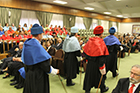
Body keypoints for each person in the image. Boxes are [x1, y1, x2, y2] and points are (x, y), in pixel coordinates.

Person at [22, 24, 59, 93]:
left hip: (29, 75)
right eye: (42, 34)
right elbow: (44, 65)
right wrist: (54, 71)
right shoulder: (36, 46)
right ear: (39, 35)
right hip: (38, 77)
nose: (42, 36)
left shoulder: (27, 44)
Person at [83, 26, 109, 93]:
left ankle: (87, 89)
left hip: (90, 63)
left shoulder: (90, 40)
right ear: (101, 33)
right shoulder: (101, 42)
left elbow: (85, 52)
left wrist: (86, 59)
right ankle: (102, 88)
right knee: (100, 77)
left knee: (89, 77)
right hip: (98, 64)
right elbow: (102, 55)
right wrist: (102, 65)